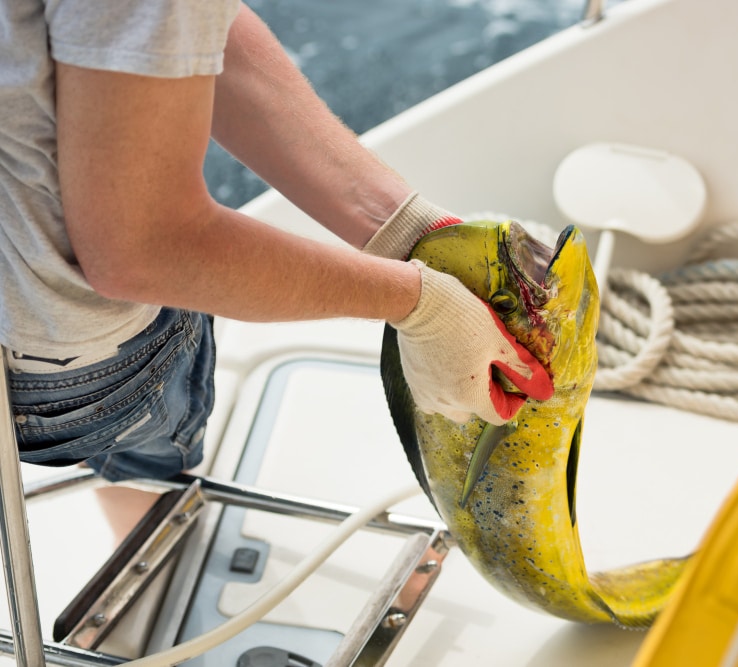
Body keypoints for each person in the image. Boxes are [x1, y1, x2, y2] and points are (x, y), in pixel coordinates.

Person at [0, 1, 554, 484]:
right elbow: (147, 250)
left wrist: (406, 228)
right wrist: (424, 307)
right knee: (150, 470)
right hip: (69, 369)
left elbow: (188, 32)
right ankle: (146, 512)